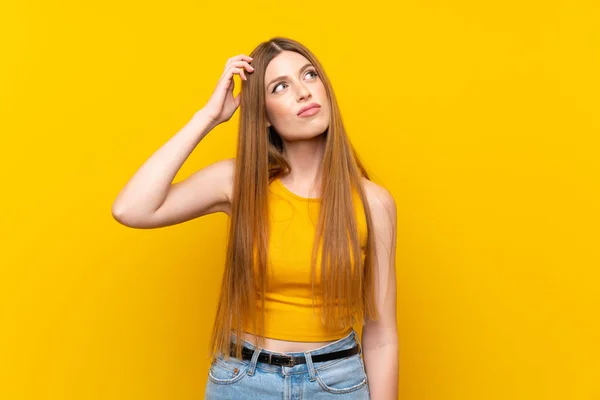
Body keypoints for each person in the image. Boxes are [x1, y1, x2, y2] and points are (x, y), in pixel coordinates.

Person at [112, 37, 399, 399]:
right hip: (243, 382)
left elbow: (382, 335)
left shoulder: (374, 204)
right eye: (280, 86)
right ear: (262, 114)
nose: (303, 92)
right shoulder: (240, 183)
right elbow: (131, 208)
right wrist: (208, 118)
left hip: (336, 383)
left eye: (309, 76)